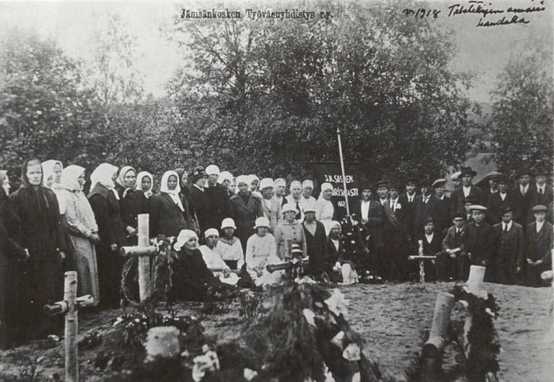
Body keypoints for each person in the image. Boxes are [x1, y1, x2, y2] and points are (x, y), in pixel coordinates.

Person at [5, 159, 68, 339]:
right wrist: (23, 250)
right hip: (31, 251)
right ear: (25, 175)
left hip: (49, 248)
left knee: (51, 287)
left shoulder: (49, 194)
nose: (36, 176)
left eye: (38, 173)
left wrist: (61, 247)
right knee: (34, 288)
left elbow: (56, 224)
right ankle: (38, 330)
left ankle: (53, 327)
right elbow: (16, 228)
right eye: (32, 173)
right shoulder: (17, 197)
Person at [57, 165, 101, 304]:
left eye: (83, 177)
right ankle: (83, 302)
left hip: (88, 238)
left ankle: (92, 300)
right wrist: (89, 234)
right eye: (80, 178)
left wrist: (94, 230)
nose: (83, 180)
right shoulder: (66, 195)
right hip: (77, 238)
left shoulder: (79, 193)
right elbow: (71, 221)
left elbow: (88, 215)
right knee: (82, 268)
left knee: (90, 268)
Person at [88, 163, 125, 309]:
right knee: (108, 269)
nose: (114, 179)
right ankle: (109, 301)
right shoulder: (98, 195)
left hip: (116, 234)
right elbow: (103, 221)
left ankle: (115, 298)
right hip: (108, 238)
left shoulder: (109, 191)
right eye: (113, 176)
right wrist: (111, 241)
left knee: (115, 268)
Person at [169, 230, 233, 302]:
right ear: (183, 242)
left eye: (195, 240)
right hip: (186, 286)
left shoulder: (197, 253)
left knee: (222, 286)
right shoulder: (179, 257)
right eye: (190, 240)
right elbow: (183, 278)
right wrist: (204, 286)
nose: (193, 242)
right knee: (208, 293)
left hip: (200, 282)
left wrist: (212, 281)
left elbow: (204, 269)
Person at [150, 170, 197, 238]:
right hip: (167, 233)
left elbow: (187, 215)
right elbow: (155, 218)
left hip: (182, 232)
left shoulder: (181, 196)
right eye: (169, 181)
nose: (172, 183)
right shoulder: (158, 198)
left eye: (174, 181)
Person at [241, 217, 281, 284]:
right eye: (261, 227)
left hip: (269, 261)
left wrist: (266, 261)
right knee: (261, 278)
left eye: (265, 227)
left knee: (275, 272)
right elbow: (248, 258)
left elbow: (272, 253)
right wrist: (256, 268)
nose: (263, 229)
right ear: (257, 228)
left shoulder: (271, 238)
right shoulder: (251, 239)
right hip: (255, 262)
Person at [491, 206, 524, 285]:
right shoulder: (495, 227)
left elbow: (521, 247)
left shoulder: (518, 228)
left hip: (512, 262)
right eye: (504, 216)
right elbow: (492, 246)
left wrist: (519, 263)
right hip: (498, 263)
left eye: (508, 216)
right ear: (501, 216)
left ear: (512, 216)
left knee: (511, 284)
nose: (506, 218)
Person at [230, 175, 263, 250]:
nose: (243, 188)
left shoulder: (256, 199)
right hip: (239, 230)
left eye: (245, 185)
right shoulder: (233, 200)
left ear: (248, 185)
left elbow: (260, 216)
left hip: (252, 229)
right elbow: (232, 216)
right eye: (240, 185)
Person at [524, 205, 553, 287]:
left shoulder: (550, 228)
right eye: (538, 214)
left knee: (542, 286)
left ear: (545, 215)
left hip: (543, 263)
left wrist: (542, 260)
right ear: (534, 215)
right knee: (530, 286)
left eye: (542, 214)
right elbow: (525, 244)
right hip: (531, 262)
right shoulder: (529, 227)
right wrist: (527, 258)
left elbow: (551, 247)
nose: (540, 216)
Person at [439, 213, 470, 281]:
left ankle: (461, 278)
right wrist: (448, 250)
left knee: (463, 256)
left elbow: (467, 243)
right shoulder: (451, 229)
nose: (458, 222)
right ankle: (443, 278)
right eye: (456, 220)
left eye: (460, 220)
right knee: (440, 255)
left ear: (463, 221)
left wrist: (454, 251)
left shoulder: (467, 229)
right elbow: (444, 242)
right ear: (453, 221)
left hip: (462, 251)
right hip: (451, 251)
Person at [115, 166, 140, 244]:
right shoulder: (118, 193)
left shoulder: (136, 192)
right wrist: (126, 227)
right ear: (122, 178)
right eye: (128, 177)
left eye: (133, 177)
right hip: (123, 232)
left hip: (136, 231)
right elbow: (115, 215)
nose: (131, 180)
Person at [302, 202, 328, 279]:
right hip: (307, 255)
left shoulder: (320, 225)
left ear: (314, 214)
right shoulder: (301, 226)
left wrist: (325, 255)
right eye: (307, 213)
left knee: (319, 275)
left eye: (311, 213)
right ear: (304, 214)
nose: (309, 215)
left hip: (319, 255)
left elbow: (324, 241)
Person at [466, 204, 496, 269]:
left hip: (483, 257)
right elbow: (465, 240)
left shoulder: (489, 228)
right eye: (475, 214)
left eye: (479, 214)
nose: (477, 216)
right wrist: (468, 251)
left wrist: (486, 258)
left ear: (484, 215)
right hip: (471, 255)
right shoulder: (469, 227)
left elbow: (491, 245)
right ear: (472, 216)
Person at [204, 165, 231, 232]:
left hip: (220, 220)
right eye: (212, 175)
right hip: (207, 221)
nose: (215, 177)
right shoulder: (204, 188)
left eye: (216, 175)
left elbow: (227, 206)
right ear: (208, 176)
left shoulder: (222, 189)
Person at [189, 166, 210, 233]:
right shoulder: (192, 191)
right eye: (201, 178)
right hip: (199, 224)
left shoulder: (206, 191)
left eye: (205, 178)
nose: (204, 180)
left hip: (208, 223)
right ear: (196, 179)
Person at [399, 178, 418, 244]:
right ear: (405, 187)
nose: (410, 188)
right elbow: (399, 214)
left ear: (415, 187)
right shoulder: (401, 198)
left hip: (416, 228)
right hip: (404, 228)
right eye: (408, 186)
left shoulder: (419, 197)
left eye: (412, 185)